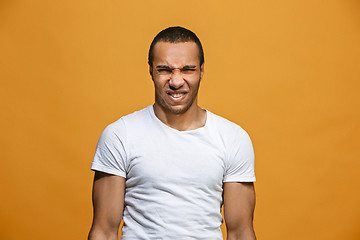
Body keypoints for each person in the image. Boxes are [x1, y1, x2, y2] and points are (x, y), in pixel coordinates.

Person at [88, 26, 256, 240]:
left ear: (202, 71)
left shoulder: (233, 138)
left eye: (187, 69)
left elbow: (241, 232)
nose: (176, 81)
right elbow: (104, 230)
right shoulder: (120, 135)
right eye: (165, 70)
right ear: (151, 71)